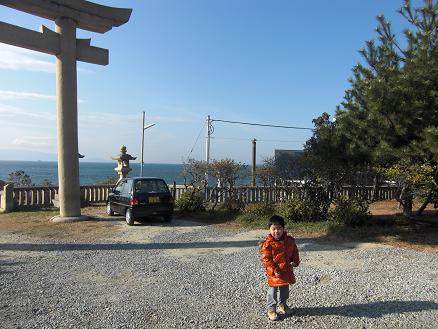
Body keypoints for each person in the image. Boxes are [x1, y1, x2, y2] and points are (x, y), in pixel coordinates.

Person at [260, 215, 300, 321]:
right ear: (269, 229)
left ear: (283, 229)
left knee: (284, 290)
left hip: (286, 270)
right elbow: (266, 259)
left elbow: (294, 251)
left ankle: (283, 305)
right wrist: (274, 269)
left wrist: (295, 261)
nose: (276, 231)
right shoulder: (267, 244)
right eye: (274, 229)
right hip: (274, 272)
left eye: (279, 228)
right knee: (272, 291)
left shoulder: (289, 241)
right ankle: (271, 309)